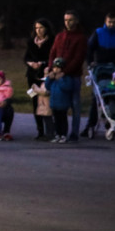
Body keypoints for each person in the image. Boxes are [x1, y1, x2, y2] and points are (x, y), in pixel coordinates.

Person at [81, 12, 115, 137]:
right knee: (97, 98)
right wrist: (90, 63)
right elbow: (89, 49)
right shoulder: (99, 32)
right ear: (105, 21)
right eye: (109, 22)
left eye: (114, 22)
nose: (111, 25)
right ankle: (91, 124)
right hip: (100, 70)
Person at [48, 10, 87, 142]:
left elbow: (78, 58)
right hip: (58, 74)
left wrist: (65, 71)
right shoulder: (59, 36)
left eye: (70, 20)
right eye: (65, 20)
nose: (68, 23)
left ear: (76, 21)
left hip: (72, 75)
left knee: (75, 104)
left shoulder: (80, 38)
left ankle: (74, 132)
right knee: (59, 106)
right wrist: (51, 68)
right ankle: (59, 132)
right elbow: (53, 53)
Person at [24, 18, 54, 140]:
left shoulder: (51, 41)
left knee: (46, 102)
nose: (38, 30)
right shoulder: (31, 42)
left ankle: (50, 130)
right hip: (32, 76)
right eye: (36, 28)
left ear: (46, 28)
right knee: (35, 101)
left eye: (41, 27)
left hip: (45, 75)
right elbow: (26, 57)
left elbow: (52, 57)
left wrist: (42, 63)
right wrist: (31, 64)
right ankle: (40, 130)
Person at [45, 58, 74, 143]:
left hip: (63, 103)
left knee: (63, 120)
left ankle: (63, 135)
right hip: (54, 103)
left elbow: (67, 87)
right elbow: (47, 87)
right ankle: (57, 134)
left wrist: (60, 79)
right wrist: (49, 78)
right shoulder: (53, 78)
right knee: (56, 120)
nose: (56, 70)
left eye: (58, 68)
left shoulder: (66, 78)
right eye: (54, 68)